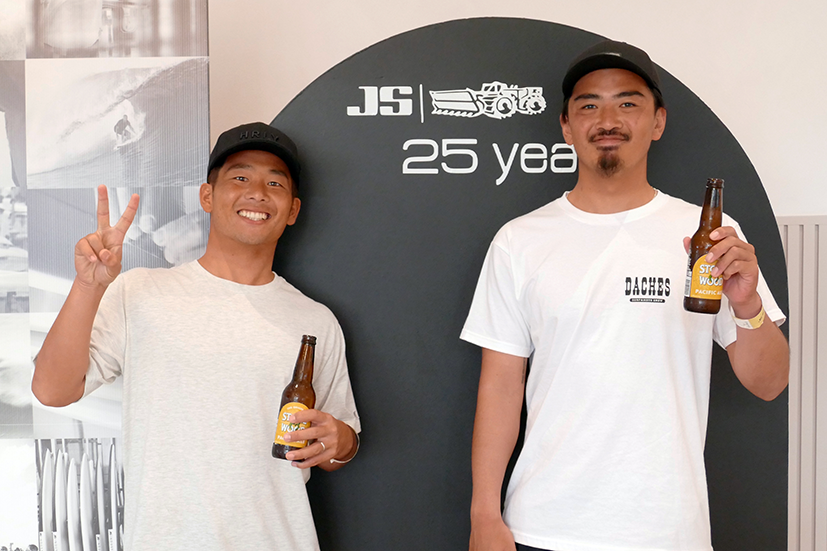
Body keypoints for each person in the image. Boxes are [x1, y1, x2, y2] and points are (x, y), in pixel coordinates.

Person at [461, 40, 789, 551]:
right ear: (566, 126)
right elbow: (500, 386)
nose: (607, 120)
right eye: (589, 105)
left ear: (658, 121)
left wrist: (747, 305)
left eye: (628, 103)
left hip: (668, 531)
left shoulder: (711, 235)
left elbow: (770, 383)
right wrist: (484, 513)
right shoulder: (519, 240)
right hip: (542, 526)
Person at [31, 122, 361, 551]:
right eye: (240, 177)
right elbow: (52, 390)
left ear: (293, 209)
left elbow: (337, 446)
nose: (257, 192)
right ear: (207, 196)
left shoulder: (315, 321)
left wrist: (341, 442)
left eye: (274, 183)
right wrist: (88, 285)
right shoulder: (140, 292)